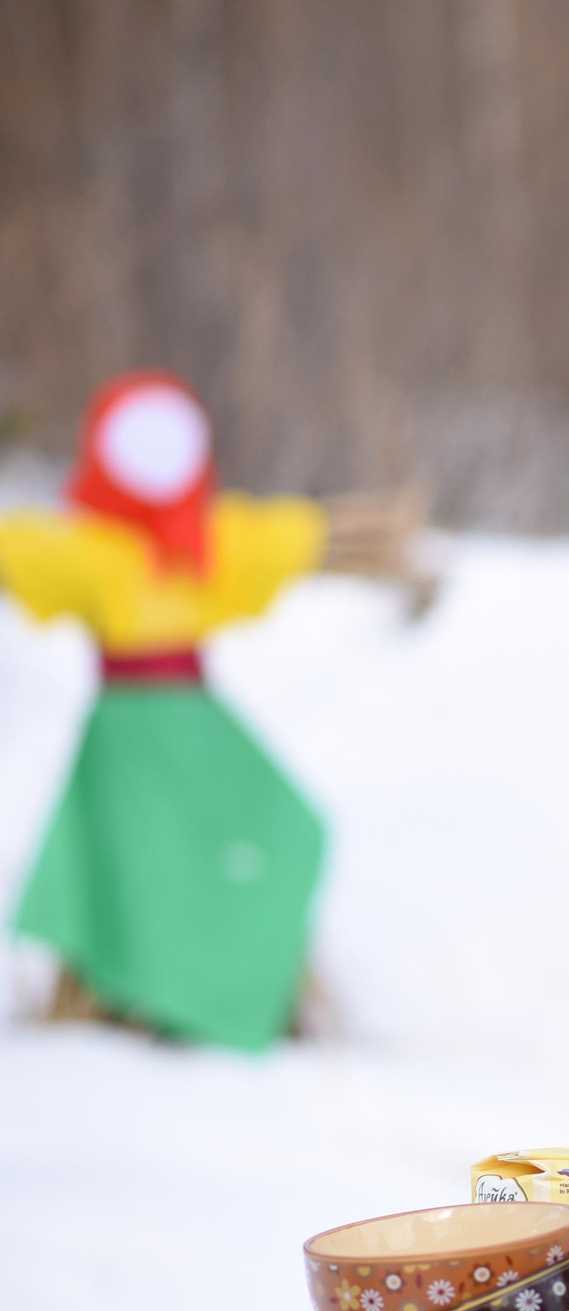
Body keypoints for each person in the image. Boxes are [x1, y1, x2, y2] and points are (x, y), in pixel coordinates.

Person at [0, 371, 421, 1049]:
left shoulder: (206, 542)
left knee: (280, 826)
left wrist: (377, 546)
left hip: (195, 725)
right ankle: (125, 997)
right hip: (128, 733)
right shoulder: (89, 552)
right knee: (135, 861)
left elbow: (287, 536)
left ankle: (239, 991)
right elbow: (21, 550)